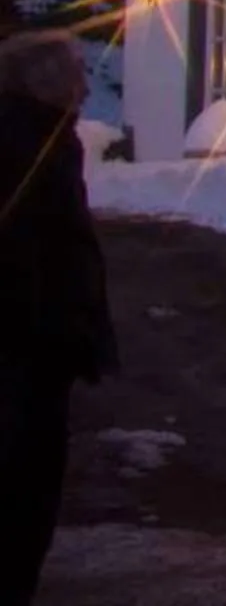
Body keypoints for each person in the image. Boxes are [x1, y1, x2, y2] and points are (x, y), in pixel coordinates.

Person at [0, 31, 116, 606]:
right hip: (26, 346)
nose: (86, 86)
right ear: (45, 84)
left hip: (39, 345)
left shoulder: (43, 140)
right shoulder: (27, 144)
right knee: (23, 478)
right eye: (76, 75)